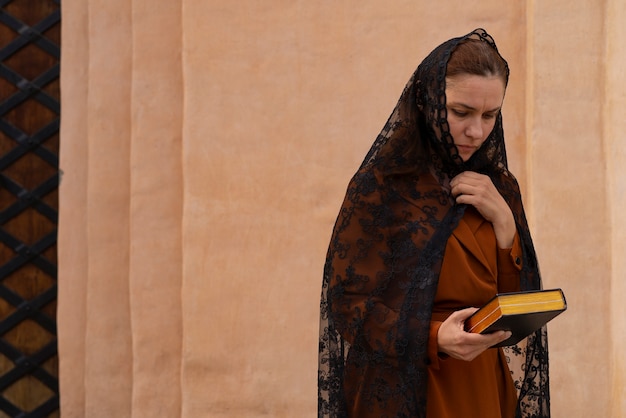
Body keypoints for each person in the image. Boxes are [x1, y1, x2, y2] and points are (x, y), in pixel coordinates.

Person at [318, 29, 550, 418]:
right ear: (428, 102)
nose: (476, 131)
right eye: (461, 112)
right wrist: (432, 336)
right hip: (401, 391)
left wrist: (506, 223)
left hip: (481, 389)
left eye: (489, 115)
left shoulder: (499, 187)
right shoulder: (381, 187)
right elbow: (348, 308)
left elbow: (517, 308)